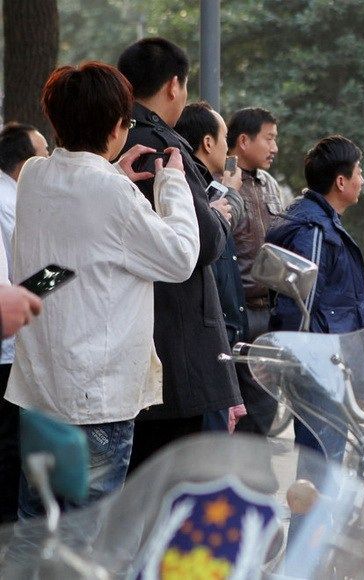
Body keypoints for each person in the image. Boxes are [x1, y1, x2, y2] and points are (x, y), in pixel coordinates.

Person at [5, 62, 200, 515]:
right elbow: (181, 258)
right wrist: (172, 186)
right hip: (95, 401)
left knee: (37, 531)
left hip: (39, 391)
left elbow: (61, 267)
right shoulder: (112, 195)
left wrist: (113, 174)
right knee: (84, 542)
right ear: (118, 127)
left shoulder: (34, 175)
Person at [116, 37, 241, 472]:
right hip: (173, 346)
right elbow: (200, 243)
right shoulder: (160, 146)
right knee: (165, 493)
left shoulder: (110, 144)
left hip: (119, 349)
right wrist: (218, 216)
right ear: (174, 85)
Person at [267, 135, 364, 458]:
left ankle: (312, 510)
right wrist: (306, 365)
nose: (362, 179)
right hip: (319, 364)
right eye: (358, 172)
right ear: (341, 182)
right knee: (321, 458)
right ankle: (307, 512)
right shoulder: (314, 230)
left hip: (331, 360)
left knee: (327, 455)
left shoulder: (322, 222)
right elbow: (300, 302)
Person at [174, 101, 255, 434]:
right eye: (224, 137)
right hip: (204, 358)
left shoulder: (210, 195)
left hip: (219, 350)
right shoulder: (199, 197)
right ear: (208, 143)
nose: (228, 146)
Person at [0, 122, 48, 523]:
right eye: (43, 152)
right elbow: (15, 290)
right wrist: (65, 270)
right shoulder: (10, 204)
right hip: (7, 351)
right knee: (8, 453)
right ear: (25, 163)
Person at [227, 108, 284, 338]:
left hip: (272, 308)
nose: (274, 148)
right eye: (269, 138)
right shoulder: (221, 181)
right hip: (236, 310)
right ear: (243, 140)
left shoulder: (269, 184)